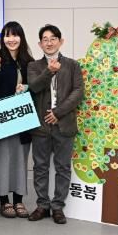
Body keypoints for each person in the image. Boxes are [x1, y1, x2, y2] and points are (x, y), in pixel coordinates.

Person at [27, 24, 84, 224]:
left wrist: (58, 112)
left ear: (61, 41)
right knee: (40, 167)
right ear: (39, 44)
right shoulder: (34, 66)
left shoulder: (72, 65)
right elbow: (34, 87)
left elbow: (78, 92)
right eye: (45, 39)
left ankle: (58, 206)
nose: (49, 43)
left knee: (63, 167)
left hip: (64, 124)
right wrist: (49, 71)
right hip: (40, 126)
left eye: (53, 39)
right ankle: (42, 205)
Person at [0, 22, 34, 219]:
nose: (11, 39)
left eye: (15, 35)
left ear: (21, 37)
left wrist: (26, 88)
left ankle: (18, 200)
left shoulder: (29, 61)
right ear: (2, 39)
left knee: (20, 160)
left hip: (22, 119)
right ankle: (4, 201)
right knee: (1, 161)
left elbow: (36, 87)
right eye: (7, 35)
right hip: (1, 118)